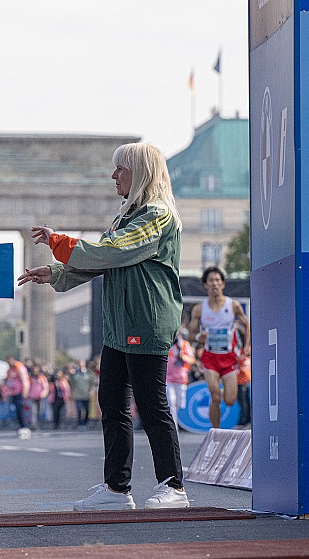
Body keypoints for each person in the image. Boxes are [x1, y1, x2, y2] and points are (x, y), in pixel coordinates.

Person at [19, 142, 187, 511]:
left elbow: (113, 252)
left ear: (140, 172)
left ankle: (173, 486)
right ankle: (116, 489)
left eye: (120, 169)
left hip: (146, 319)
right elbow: (106, 259)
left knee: (151, 403)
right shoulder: (126, 216)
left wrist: (60, 243)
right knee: (111, 404)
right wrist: (57, 272)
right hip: (120, 324)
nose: (113, 176)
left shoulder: (158, 215)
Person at [188, 266, 250, 429]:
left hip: (229, 358)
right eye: (211, 280)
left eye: (218, 280)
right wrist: (197, 338)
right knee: (215, 396)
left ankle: (224, 391)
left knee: (229, 401)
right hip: (210, 358)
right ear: (205, 285)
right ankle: (215, 432)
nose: (215, 284)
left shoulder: (233, 305)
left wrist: (248, 347)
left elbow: (247, 324)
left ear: (223, 284)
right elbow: (191, 335)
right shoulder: (199, 309)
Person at [165, 322, 197, 429]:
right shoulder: (166, 344)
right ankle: (173, 426)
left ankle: (175, 421)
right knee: (171, 403)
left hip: (181, 378)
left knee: (179, 403)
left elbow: (192, 360)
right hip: (167, 378)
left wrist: (183, 356)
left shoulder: (184, 345)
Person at [4, 355, 30, 436]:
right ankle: (21, 425)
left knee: (20, 409)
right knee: (15, 410)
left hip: (20, 392)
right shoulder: (9, 370)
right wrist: (6, 393)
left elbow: (24, 379)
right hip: (13, 393)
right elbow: (7, 382)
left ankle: (24, 426)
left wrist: (25, 391)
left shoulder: (19, 367)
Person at [70, 359, 93, 428]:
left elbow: (91, 382)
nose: (80, 365)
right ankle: (80, 423)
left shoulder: (89, 373)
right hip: (77, 394)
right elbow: (71, 384)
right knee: (79, 409)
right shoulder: (74, 374)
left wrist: (91, 390)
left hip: (86, 394)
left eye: (81, 364)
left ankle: (86, 422)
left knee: (87, 409)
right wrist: (72, 393)